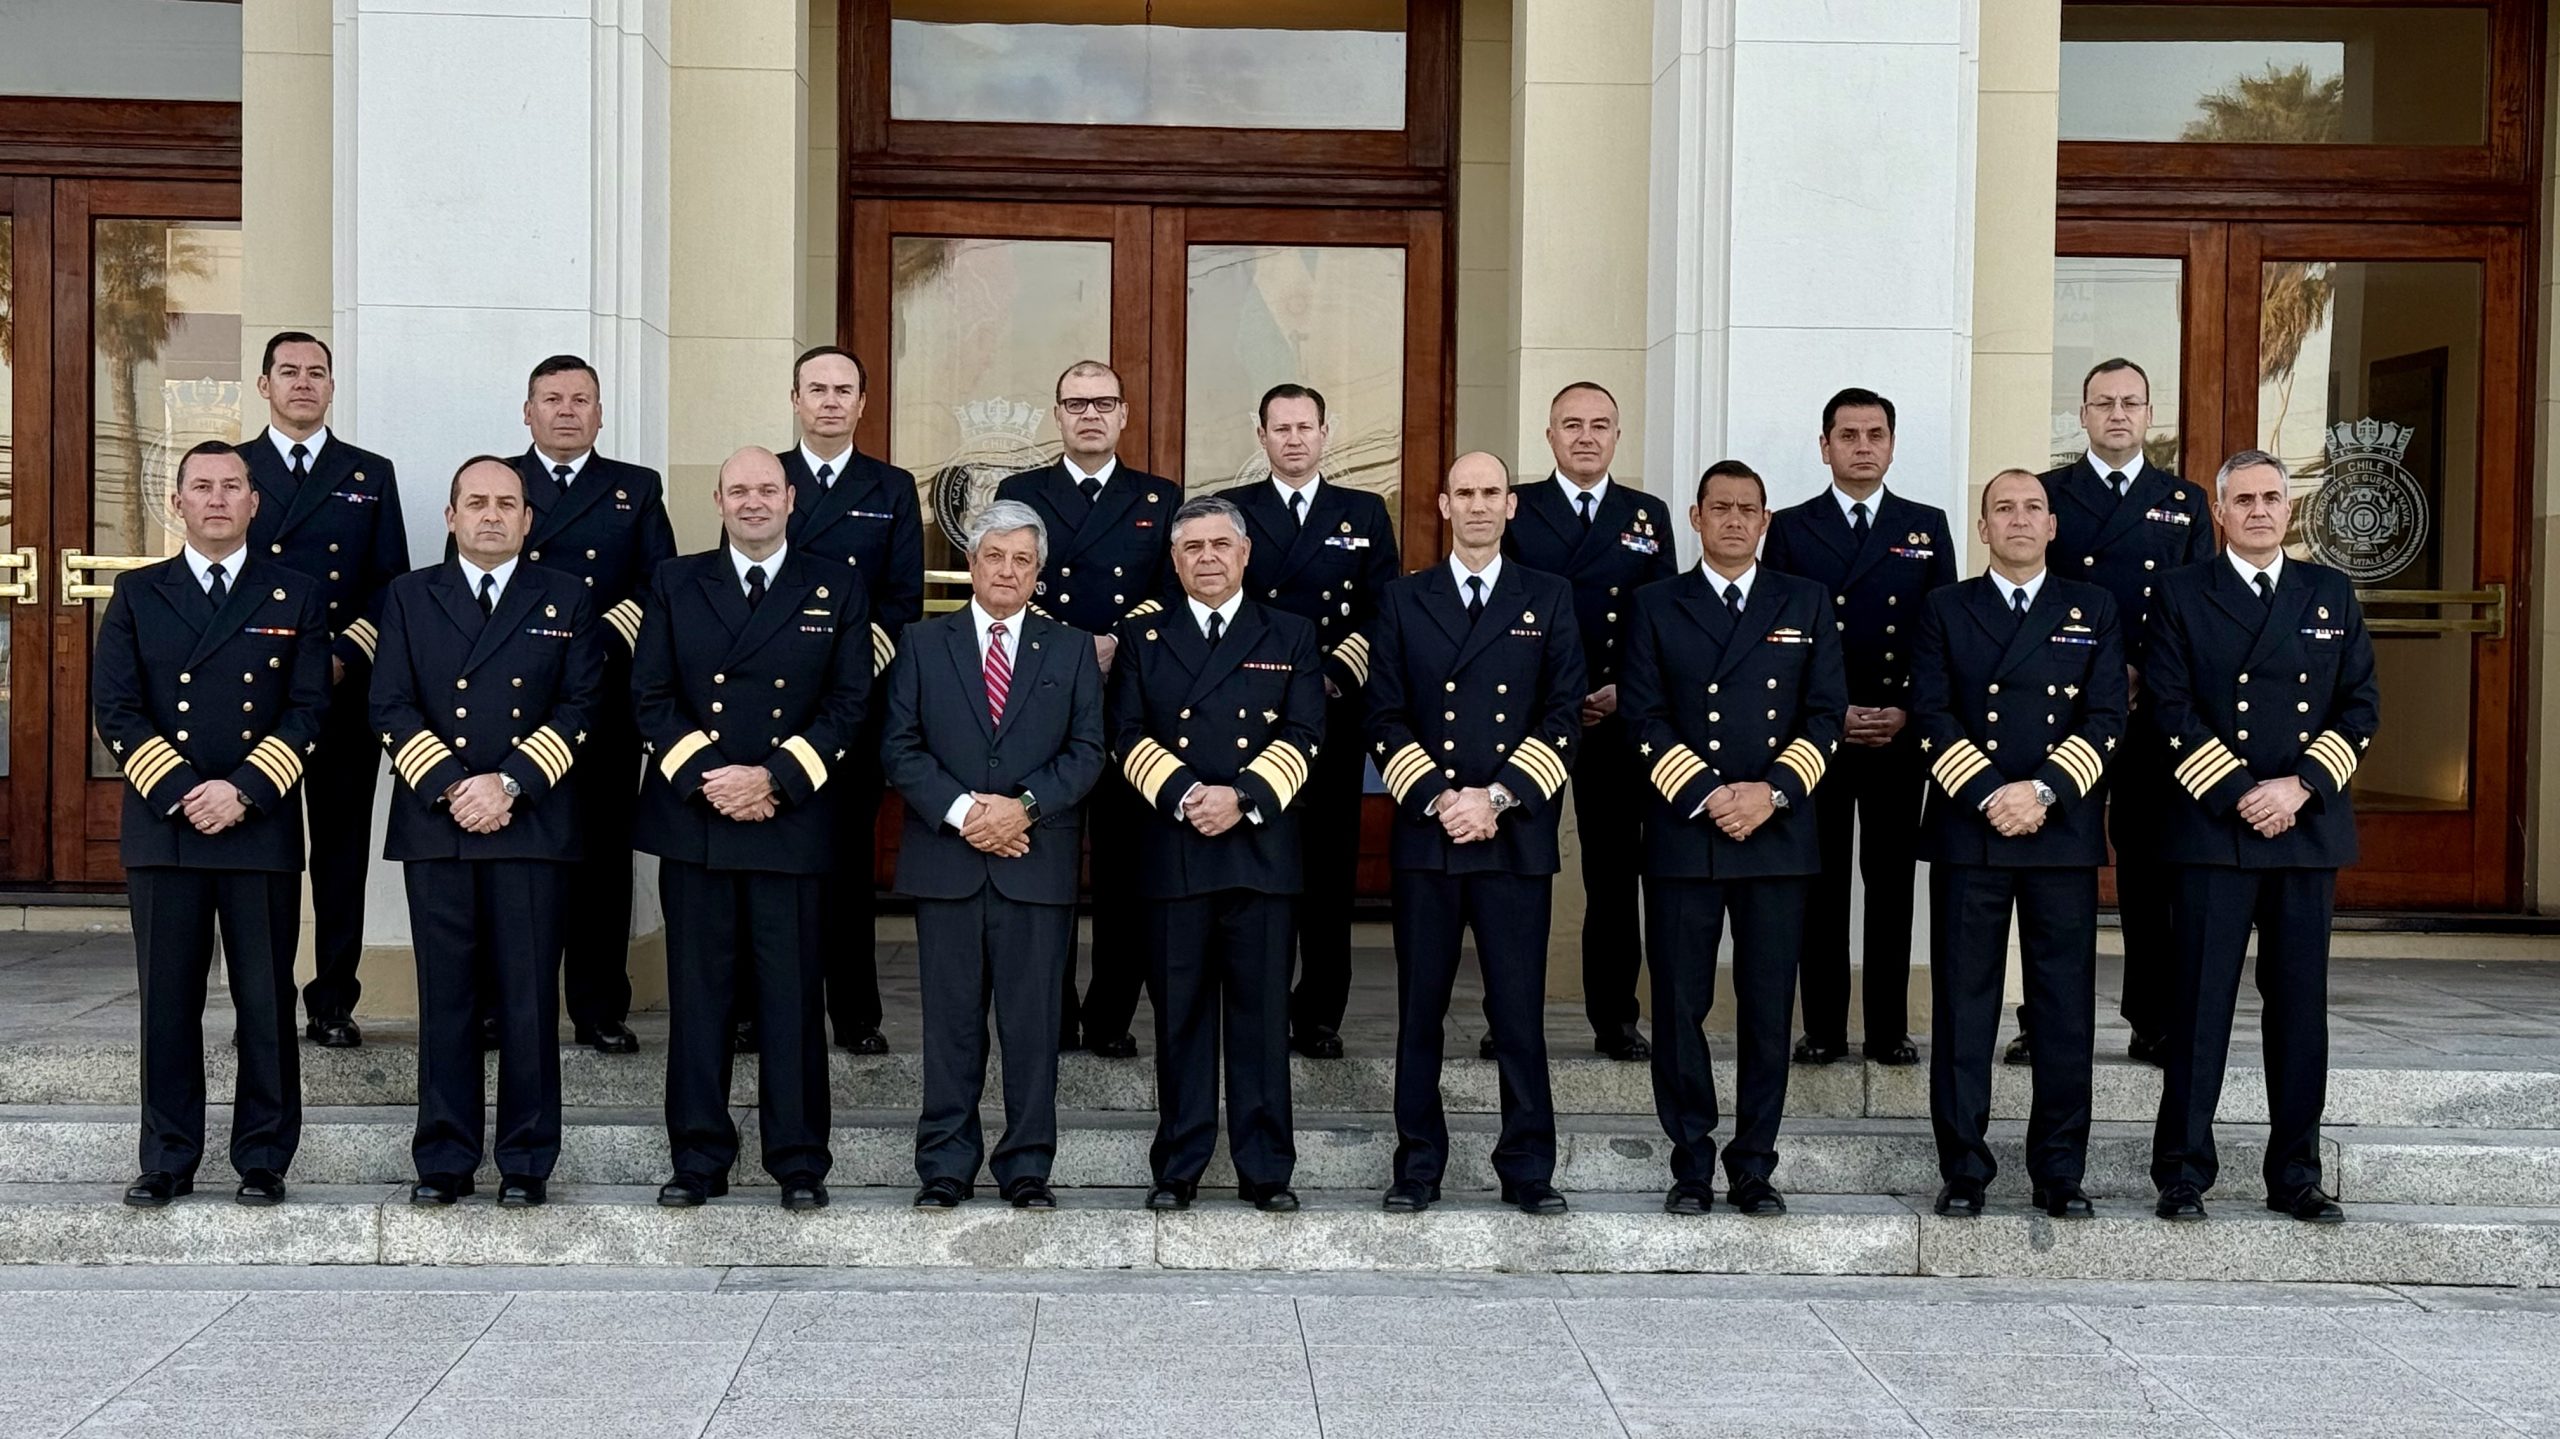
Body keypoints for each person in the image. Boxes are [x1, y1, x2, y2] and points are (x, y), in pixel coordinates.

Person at [95, 442, 331, 1208]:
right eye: (202, 486)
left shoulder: (294, 594)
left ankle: (263, 1156)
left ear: (254, 503)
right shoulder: (137, 594)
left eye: (233, 485)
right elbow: (118, 710)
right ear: (179, 503)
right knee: (169, 1001)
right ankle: (167, 1155)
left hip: (257, 826)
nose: (219, 498)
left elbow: (307, 711)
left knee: (265, 1000)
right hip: (166, 830)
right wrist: (187, 790)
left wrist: (245, 790)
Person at [636, 449, 872, 1212]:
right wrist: (717, 778)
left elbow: (848, 702)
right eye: (739, 489)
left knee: (793, 1000)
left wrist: (772, 777)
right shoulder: (676, 581)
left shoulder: (835, 583)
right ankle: (697, 1158)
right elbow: (652, 694)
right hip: (697, 818)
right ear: (718, 499)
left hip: (790, 821)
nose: (753, 501)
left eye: (767, 488)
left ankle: (799, 1160)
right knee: (699, 1000)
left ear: (791, 498)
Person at [2147, 449, 2378, 1226]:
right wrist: (2244, 792)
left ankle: (2297, 1174)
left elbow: (2362, 707)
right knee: (2199, 1005)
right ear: (2218, 512)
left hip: (2305, 833)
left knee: (2299, 1012)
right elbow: (2169, 708)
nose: (2258, 509)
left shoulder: (2329, 591)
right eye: (2242, 498)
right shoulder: (2181, 593)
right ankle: (2182, 1172)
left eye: (2271, 497)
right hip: (2215, 830)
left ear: (2291, 508)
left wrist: (2300, 784)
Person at [371, 456, 605, 1209]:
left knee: (531, 1000)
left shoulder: (567, 596)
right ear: (450, 517)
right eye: (476, 502)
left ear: (529, 520)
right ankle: (443, 1157)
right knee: (447, 999)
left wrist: (505, 783)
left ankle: (527, 1160)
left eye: (508, 503)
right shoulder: (409, 596)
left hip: (529, 823)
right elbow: (391, 704)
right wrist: (451, 786)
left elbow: (581, 707)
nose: (492, 515)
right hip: (438, 825)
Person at [1621, 460, 1845, 1217]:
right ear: (1695, 516)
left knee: (1765, 1005)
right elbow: (1644, 717)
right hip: (1688, 831)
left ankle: (1753, 1164)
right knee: (1679, 1005)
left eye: (1749, 509)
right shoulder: (1656, 603)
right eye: (1721, 508)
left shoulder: (1804, 601)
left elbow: (1825, 715)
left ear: (1766, 519)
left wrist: (1772, 791)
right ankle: (1690, 1160)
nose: (1735, 521)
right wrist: (1709, 793)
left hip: (1776, 834)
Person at [1365, 452, 1584, 1216]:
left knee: (1518, 1010)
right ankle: (1417, 1162)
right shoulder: (1402, 599)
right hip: (1429, 837)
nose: (1481, 504)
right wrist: (1439, 797)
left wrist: (1494, 797)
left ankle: (1527, 1165)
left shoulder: (1549, 598)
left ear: (1512, 506)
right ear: (1443, 505)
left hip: (1513, 834)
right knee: (1420, 1007)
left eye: (1493, 492)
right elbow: (1383, 716)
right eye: (1466, 492)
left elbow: (1563, 719)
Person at [1910, 468, 2125, 1220]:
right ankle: (1964, 1167)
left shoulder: (2092, 607)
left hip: (2058, 832)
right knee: (1964, 1009)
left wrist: (2039, 792)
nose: (2020, 520)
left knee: (2063, 1011)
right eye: (2004, 508)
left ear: (2053, 525)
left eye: (2033, 507)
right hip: (1972, 832)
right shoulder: (1945, 607)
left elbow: (2106, 717)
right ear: (1983, 528)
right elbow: (1931, 713)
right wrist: (1990, 794)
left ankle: (2059, 1170)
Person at [881, 500, 1105, 1210]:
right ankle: (945, 1165)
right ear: (971, 564)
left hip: (1035, 863)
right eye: (993, 556)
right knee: (949, 1024)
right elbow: (900, 746)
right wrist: (966, 812)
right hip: (948, 863)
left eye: (1022, 560)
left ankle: (1027, 1166)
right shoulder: (922, 643)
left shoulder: (1068, 649)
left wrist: (1022, 807)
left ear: (1038, 574)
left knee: (1033, 1025)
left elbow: (1087, 752)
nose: (1006, 570)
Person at [1109, 495, 1323, 1212]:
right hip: (1174, 849)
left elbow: (1305, 733)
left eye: (1219, 544)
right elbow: (1126, 733)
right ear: (1173, 559)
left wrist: (1243, 796)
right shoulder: (1144, 637)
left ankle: (1266, 1169)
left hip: (1260, 851)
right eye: (1192, 546)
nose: (1206, 556)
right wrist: (1188, 794)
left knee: (1262, 1019)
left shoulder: (1289, 633)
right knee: (1181, 1020)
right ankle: (1179, 1164)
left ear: (1244, 553)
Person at [1762, 387, 1956, 1067]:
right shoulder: (1788, 526)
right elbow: (1780, 637)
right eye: (1849, 435)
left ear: (1893, 444)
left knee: (1892, 883)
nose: (1863, 446)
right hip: (1818, 735)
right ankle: (1822, 1027)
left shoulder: (1924, 525)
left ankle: (1887, 1028)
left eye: (1876, 434)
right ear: (1825, 446)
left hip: (1898, 735)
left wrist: (1906, 707)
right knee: (1820, 882)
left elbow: (1940, 637)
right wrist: (1830, 711)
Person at [997, 359, 1184, 1058]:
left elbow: (1170, 592)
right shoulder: (1022, 492)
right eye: (1075, 403)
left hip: (1127, 699)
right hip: (1039, 696)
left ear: (1125, 415)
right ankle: (1050, 1012)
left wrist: (1112, 640)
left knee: (1122, 872)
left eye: (1103, 402)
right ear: (1057, 414)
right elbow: (1006, 577)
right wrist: (1074, 646)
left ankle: (1109, 1016)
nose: (1090, 414)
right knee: (1042, 865)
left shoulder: (1159, 497)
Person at [2034, 358, 2216, 1068]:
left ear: (2149, 415)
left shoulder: (2185, 500)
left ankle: (2152, 1016)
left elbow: (2198, 610)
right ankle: (2043, 1017)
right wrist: (2098, 674)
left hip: (2150, 715)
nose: (2117, 413)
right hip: (2064, 712)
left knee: (2148, 870)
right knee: (2056, 871)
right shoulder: (2049, 493)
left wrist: (2152, 678)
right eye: (2103, 402)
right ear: (2082, 414)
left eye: (2131, 402)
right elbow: (2034, 602)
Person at [235, 331, 409, 1049]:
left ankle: (333, 997)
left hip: (342, 690)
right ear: (263, 384)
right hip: (255, 695)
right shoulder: (232, 469)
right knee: (265, 855)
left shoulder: (368, 472)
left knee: (339, 851)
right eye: (289, 372)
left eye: (317, 373)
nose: (303, 383)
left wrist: (341, 653)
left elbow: (389, 585)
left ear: (332, 386)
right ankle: (264, 1001)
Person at [1216, 384, 1397, 1059]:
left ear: (1326, 432)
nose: (1294, 438)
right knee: (1259, 868)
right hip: (1250, 717)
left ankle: (1320, 1011)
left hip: (1332, 714)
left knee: (1327, 870)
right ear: (1260, 435)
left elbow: (1384, 612)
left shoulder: (1365, 512)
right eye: (1281, 427)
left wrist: (1334, 675)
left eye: (1305, 426)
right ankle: (1255, 1005)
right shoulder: (1233, 511)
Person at [1501, 381, 1678, 1061]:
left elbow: (1660, 617)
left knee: (1614, 872)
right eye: (1570, 424)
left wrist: (1619, 690)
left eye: (1599, 424)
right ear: (1549, 436)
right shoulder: (1520, 507)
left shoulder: (1646, 513)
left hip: (1613, 719)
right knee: (1518, 872)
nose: (1585, 436)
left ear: (1617, 435)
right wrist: (1553, 694)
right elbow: (1502, 612)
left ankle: (1616, 1018)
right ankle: (1507, 1016)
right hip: (1531, 719)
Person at [508, 354, 677, 1055]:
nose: (568, 410)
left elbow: (658, 585)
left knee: (604, 863)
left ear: (601, 413)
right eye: (552, 398)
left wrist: (589, 632)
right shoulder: (500, 484)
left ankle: (600, 1005)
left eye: (581, 399)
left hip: (605, 701)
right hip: (515, 705)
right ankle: (507, 1006)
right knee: (517, 864)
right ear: (529, 411)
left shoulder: (633, 489)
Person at [775, 344, 924, 1056]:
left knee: (847, 866)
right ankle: (763, 1010)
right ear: (796, 399)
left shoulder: (891, 487)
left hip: (854, 709)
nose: (830, 400)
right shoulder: (763, 479)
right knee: (769, 864)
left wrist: (844, 676)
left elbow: (901, 601)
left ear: (863, 404)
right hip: (772, 711)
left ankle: (856, 1014)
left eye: (844, 389)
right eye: (817, 388)